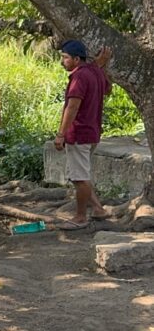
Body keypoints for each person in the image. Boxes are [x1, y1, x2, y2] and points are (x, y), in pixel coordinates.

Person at [54, 39, 112, 229]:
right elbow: (108, 89)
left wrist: (61, 134)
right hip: (93, 132)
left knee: (79, 178)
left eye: (65, 57)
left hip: (79, 133)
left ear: (76, 59)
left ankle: (80, 217)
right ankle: (98, 209)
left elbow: (72, 107)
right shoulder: (95, 72)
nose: (62, 61)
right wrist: (101, 66)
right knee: (81, 174)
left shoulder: (79, 77)